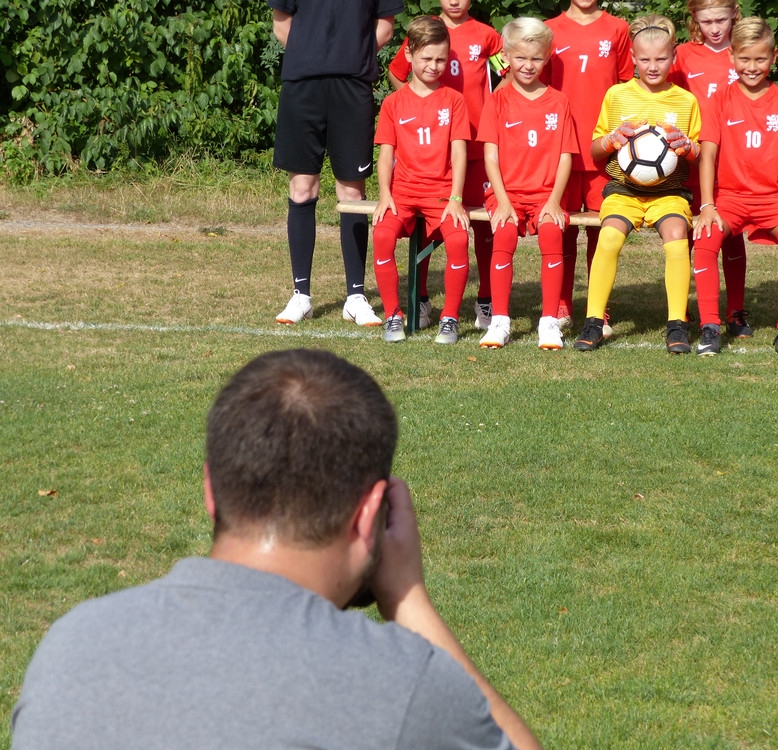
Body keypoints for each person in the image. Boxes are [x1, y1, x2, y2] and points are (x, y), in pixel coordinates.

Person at [11, 349, 543, 749]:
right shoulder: (404, 685)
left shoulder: (71, 647)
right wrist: (409, 599)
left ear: (211, 490)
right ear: (370, 515)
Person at [572, 14, 701, 354]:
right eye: (645, 59)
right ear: (632, 58)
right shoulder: (617, 95)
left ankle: (677, 325)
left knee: (677, 237)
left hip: (669, 193)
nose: (653, 66)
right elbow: (595, 149)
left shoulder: (685, 101)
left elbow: (700, 154)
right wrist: (613, 139)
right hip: (624, 190)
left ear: (673, 57)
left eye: (661, 59)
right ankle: (593, 322)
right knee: (609, 237)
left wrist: (688, 147)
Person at [270, 0, 401, 328]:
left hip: (352, 86)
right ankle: (301, 295)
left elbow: (385, 27)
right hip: (302, 85)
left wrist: (349, 56)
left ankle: (355, 297)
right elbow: (281, 24)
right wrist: (314, 56)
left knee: (352, 192)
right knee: (302, 188)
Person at [691, 17, 778, 359]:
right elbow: (707, 155)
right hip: (729, 199)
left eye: (760, 59)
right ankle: (710, 326)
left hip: (774, 200)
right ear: (731, 56)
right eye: (744, 58)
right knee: (705, 241)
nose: (752, 67)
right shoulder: (720, 100)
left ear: (774, 57)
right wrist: (707, 205)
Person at [387, 0, 504, 331]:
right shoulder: (426, 31)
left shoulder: (487, 36)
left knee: (482, 225)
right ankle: (422, 299)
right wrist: (419, 110)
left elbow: (508, 74)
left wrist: (492, 109)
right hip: (435, 157)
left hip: (477, 149)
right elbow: (397, 73)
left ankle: (485, 298)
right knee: (425, 226)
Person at [476, 17, 578, 351]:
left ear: (547, 58)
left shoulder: (559, 102)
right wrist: (503, 202)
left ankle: (549, 321)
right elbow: (491, 157)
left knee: (551, 233)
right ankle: (500, 320)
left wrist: (554, 201)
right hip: (506, 194)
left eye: (536, 58)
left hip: (546, 194)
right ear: (506, 56)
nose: (528, 65)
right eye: (520, 57)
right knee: (504, 232)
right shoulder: (497, 100)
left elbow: (565, 156)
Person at [373, 16, 472, 345]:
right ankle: (393, 316)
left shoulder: (454, 100)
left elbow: (459, 153)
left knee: (458, 240)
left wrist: (456, 198)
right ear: (410, 54)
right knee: (382, 235)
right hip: (402, 193)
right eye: (427, 58)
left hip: (442, 195)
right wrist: (384, 194)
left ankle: (450, 318)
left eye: (441, 59)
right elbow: (385, 155)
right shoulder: (393, 103)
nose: (434, 66)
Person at [542, 0, 632, 335]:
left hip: (603, 150)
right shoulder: (549, 29)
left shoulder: (618, 28)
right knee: (561, 226)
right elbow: (540, 91)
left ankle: (598, 309)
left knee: (602, 229)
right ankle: (561, 303)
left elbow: (627, 88)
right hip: (561, 148)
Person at [668, 0, 753, 339]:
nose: (715, 28)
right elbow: (669, 100)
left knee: (730, 233)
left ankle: (735, 309)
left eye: (721, 19)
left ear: (734, 14)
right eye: (706, 21)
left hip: (732, 161)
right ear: (695, 19)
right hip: (690, 160)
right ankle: (683, 306)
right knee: (687, 232)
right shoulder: (683, 56)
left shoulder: (744, 53)